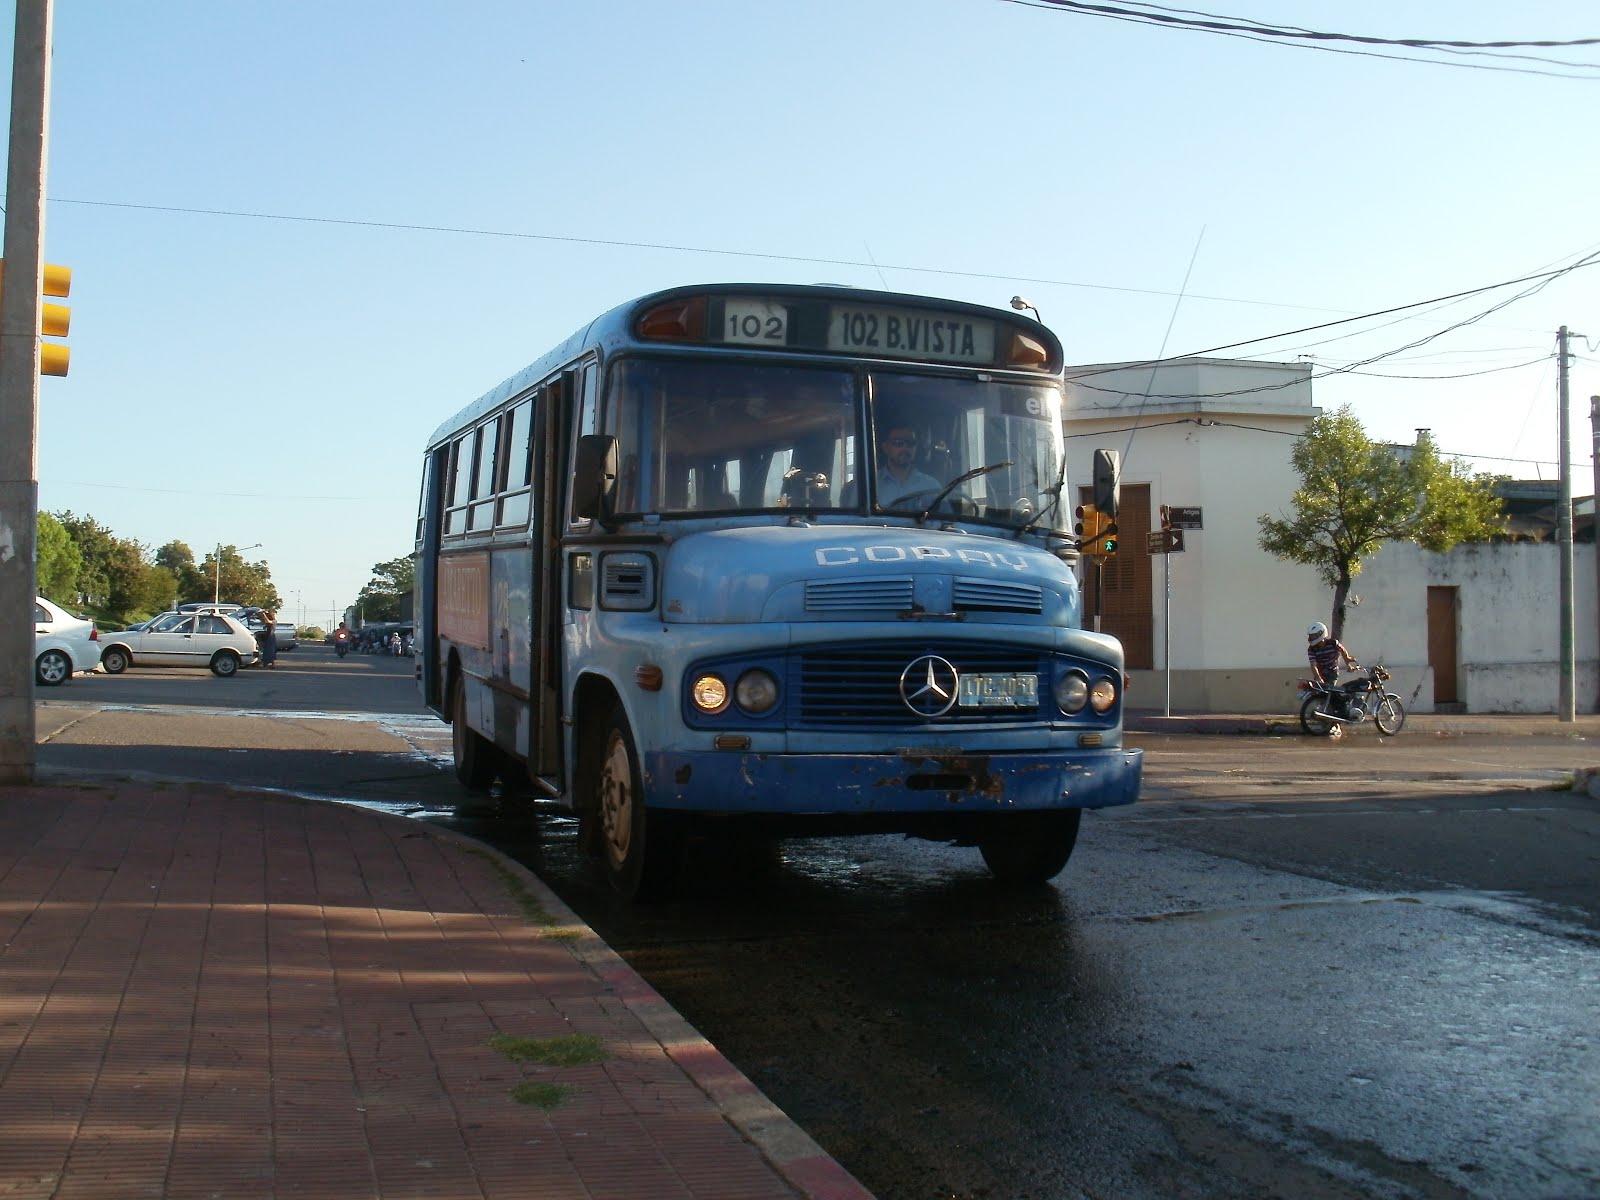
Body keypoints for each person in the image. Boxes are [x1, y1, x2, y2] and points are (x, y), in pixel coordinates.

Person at [872, 423, 942, 509]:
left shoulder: (931, 486)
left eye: (910, 443)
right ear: (885, 447)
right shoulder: (871, 485)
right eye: (898, 443)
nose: (905, 448)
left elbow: (946, 520)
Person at [1306, 621, 1356, 710]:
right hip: (1321, 672)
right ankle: (1324, 712)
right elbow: (1313, 665)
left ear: (1321, 634)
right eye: (1310, 636)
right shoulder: (1312, 649)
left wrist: (1347, 660)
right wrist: (1318, 677)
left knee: (1329, 692)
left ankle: (1333, 716)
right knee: (1317, 692)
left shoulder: (1333, 643)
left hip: (1332, 672)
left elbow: (1342, 650)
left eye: (1312, 636)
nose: (1310, 638)